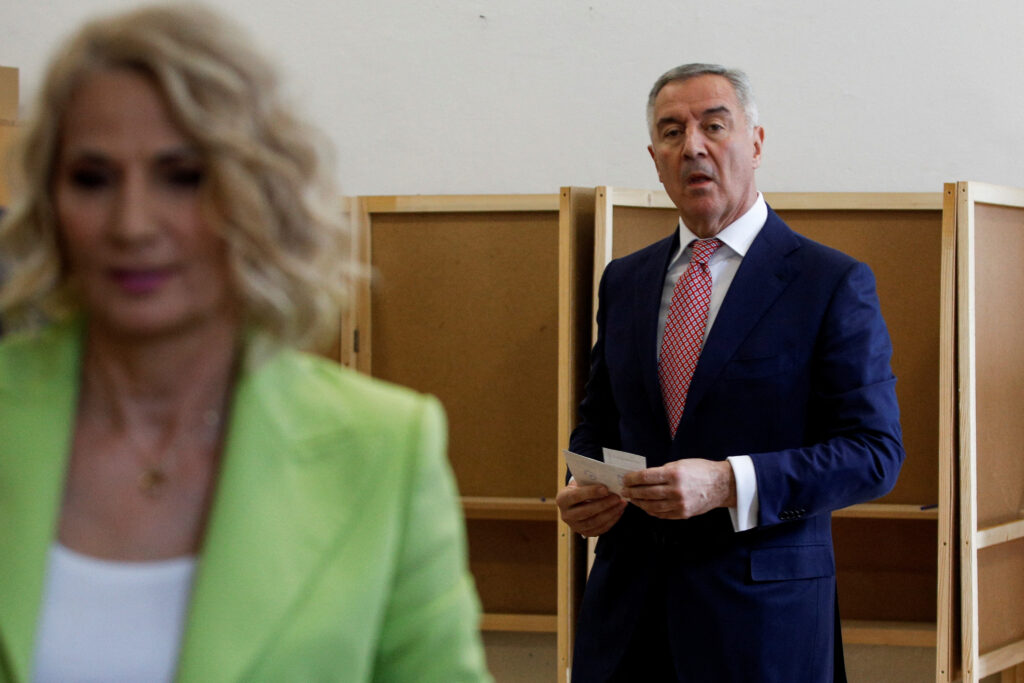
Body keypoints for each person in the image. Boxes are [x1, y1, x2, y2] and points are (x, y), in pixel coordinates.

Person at [0, 5, 490, 682]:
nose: (132, 222)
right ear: (49, 200)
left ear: (258, 190)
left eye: (182, 175)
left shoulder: (385, 450)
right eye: (93, 178)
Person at [556, 63, 904, 682]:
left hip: (762, 628)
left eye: (714, 125)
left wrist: (728, 483)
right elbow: (600, 420)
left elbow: (874, 454)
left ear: (757, 142)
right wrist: (586, 486)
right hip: (625, 622)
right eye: (671, 132)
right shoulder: (625, 281)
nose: (692, 145)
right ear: (655, 159)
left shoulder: (830, 283)